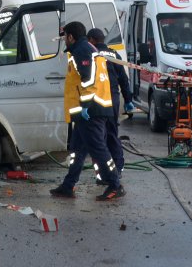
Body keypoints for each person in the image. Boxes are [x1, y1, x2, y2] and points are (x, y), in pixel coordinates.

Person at [50, 21, 125, 201]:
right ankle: (68, 185)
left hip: (91, 110)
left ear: (70, 36)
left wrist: (85, 105)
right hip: (90, 109)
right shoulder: (87, 48)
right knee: (77, 149)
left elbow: (89, 79)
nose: (64, 41)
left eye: (65, 37)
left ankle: (115, 184)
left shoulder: (82, 50)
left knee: (98, 149)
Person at [86, 27, 134, 183]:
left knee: (99, 138)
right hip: (113, 99)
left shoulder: (91, 54)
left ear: (92, 40)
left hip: (97, 100)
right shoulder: (113, 54)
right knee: (112, 134)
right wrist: (128, 100)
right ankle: (118, 168)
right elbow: (124, 80)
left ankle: (104, 173)